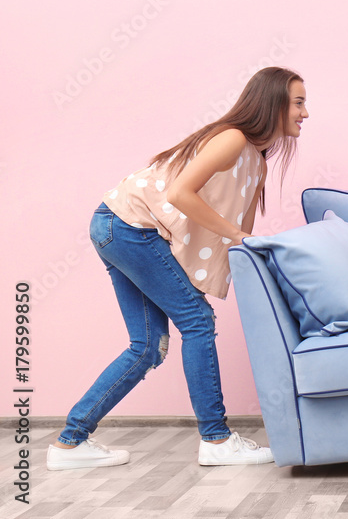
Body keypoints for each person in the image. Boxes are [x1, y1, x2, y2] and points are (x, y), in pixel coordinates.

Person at [47, 67, 309, 470]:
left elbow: (238, 238)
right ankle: (216, 439)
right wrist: (237, 237)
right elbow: (180, 194)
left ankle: (70, 443)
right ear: (273, 103)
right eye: (298, 103)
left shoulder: (256, 162)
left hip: (118, 226)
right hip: (129, 226)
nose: (305, 113)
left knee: (148, 347)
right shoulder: (233, 139)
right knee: (197, 321)